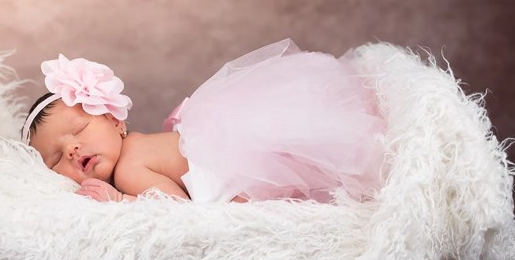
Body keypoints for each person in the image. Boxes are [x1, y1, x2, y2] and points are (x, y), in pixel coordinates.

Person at [22, 39, 385, 203]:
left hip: (236, 177)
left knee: (290, 188)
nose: (72, 149)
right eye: (55, 158)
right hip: (238, 155)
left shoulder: (130, 168)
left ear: (115, 120)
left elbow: (175, 210)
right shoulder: (140, 147)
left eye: (79, 130)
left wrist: (119, 200)